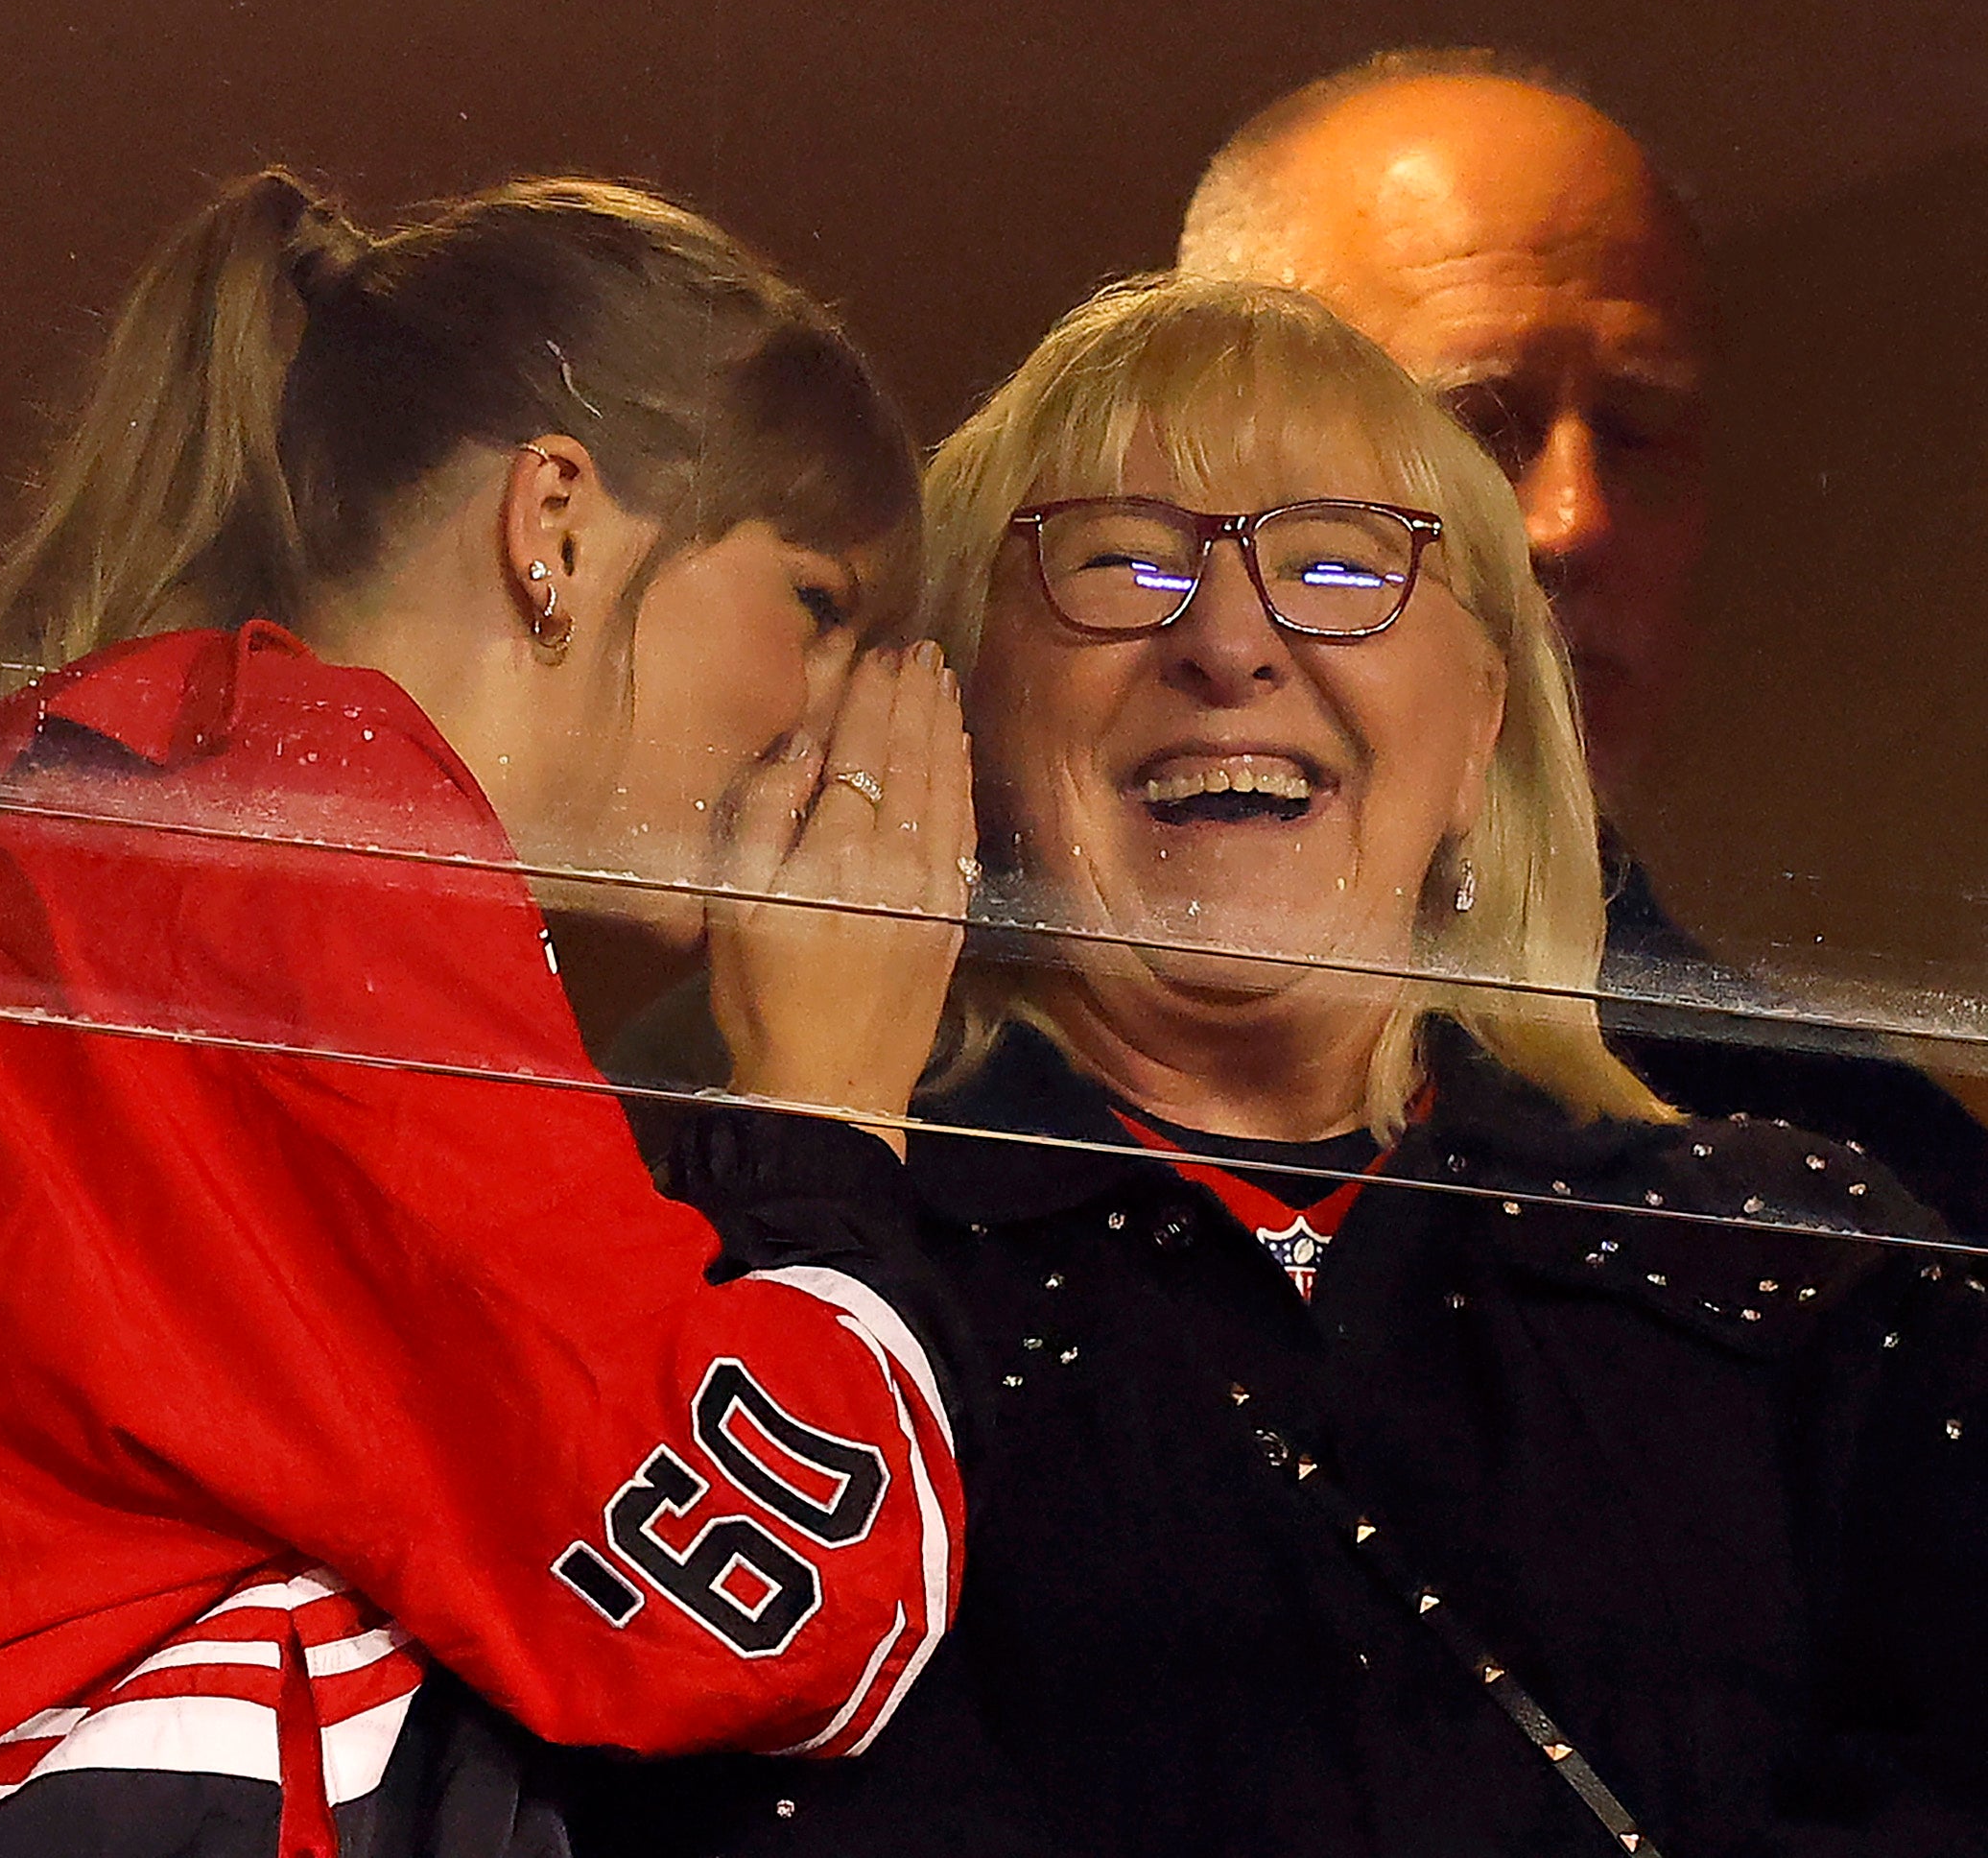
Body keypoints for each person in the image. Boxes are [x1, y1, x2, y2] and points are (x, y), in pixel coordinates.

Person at [0, 170, 978, 1858]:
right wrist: (829, 1104)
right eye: (817, 607)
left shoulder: (28, 836)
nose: (840, 715)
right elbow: (763, 1598)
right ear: (559, 524)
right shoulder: (306, 839)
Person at [588, 274, 1988, 1858]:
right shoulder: (747, 1264)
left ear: (1479, 738)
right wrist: (809, 1165)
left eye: (1340, 564)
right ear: (956, 725)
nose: (1233, 641)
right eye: (1121, 561)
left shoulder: (1797, 1271)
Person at [1174, 46, 1988, 1240]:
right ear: (1190, 472)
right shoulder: (922, 1048)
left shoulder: (1868, 1175)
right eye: (1476, 426)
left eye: (1639, 432)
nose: (1572, 519)